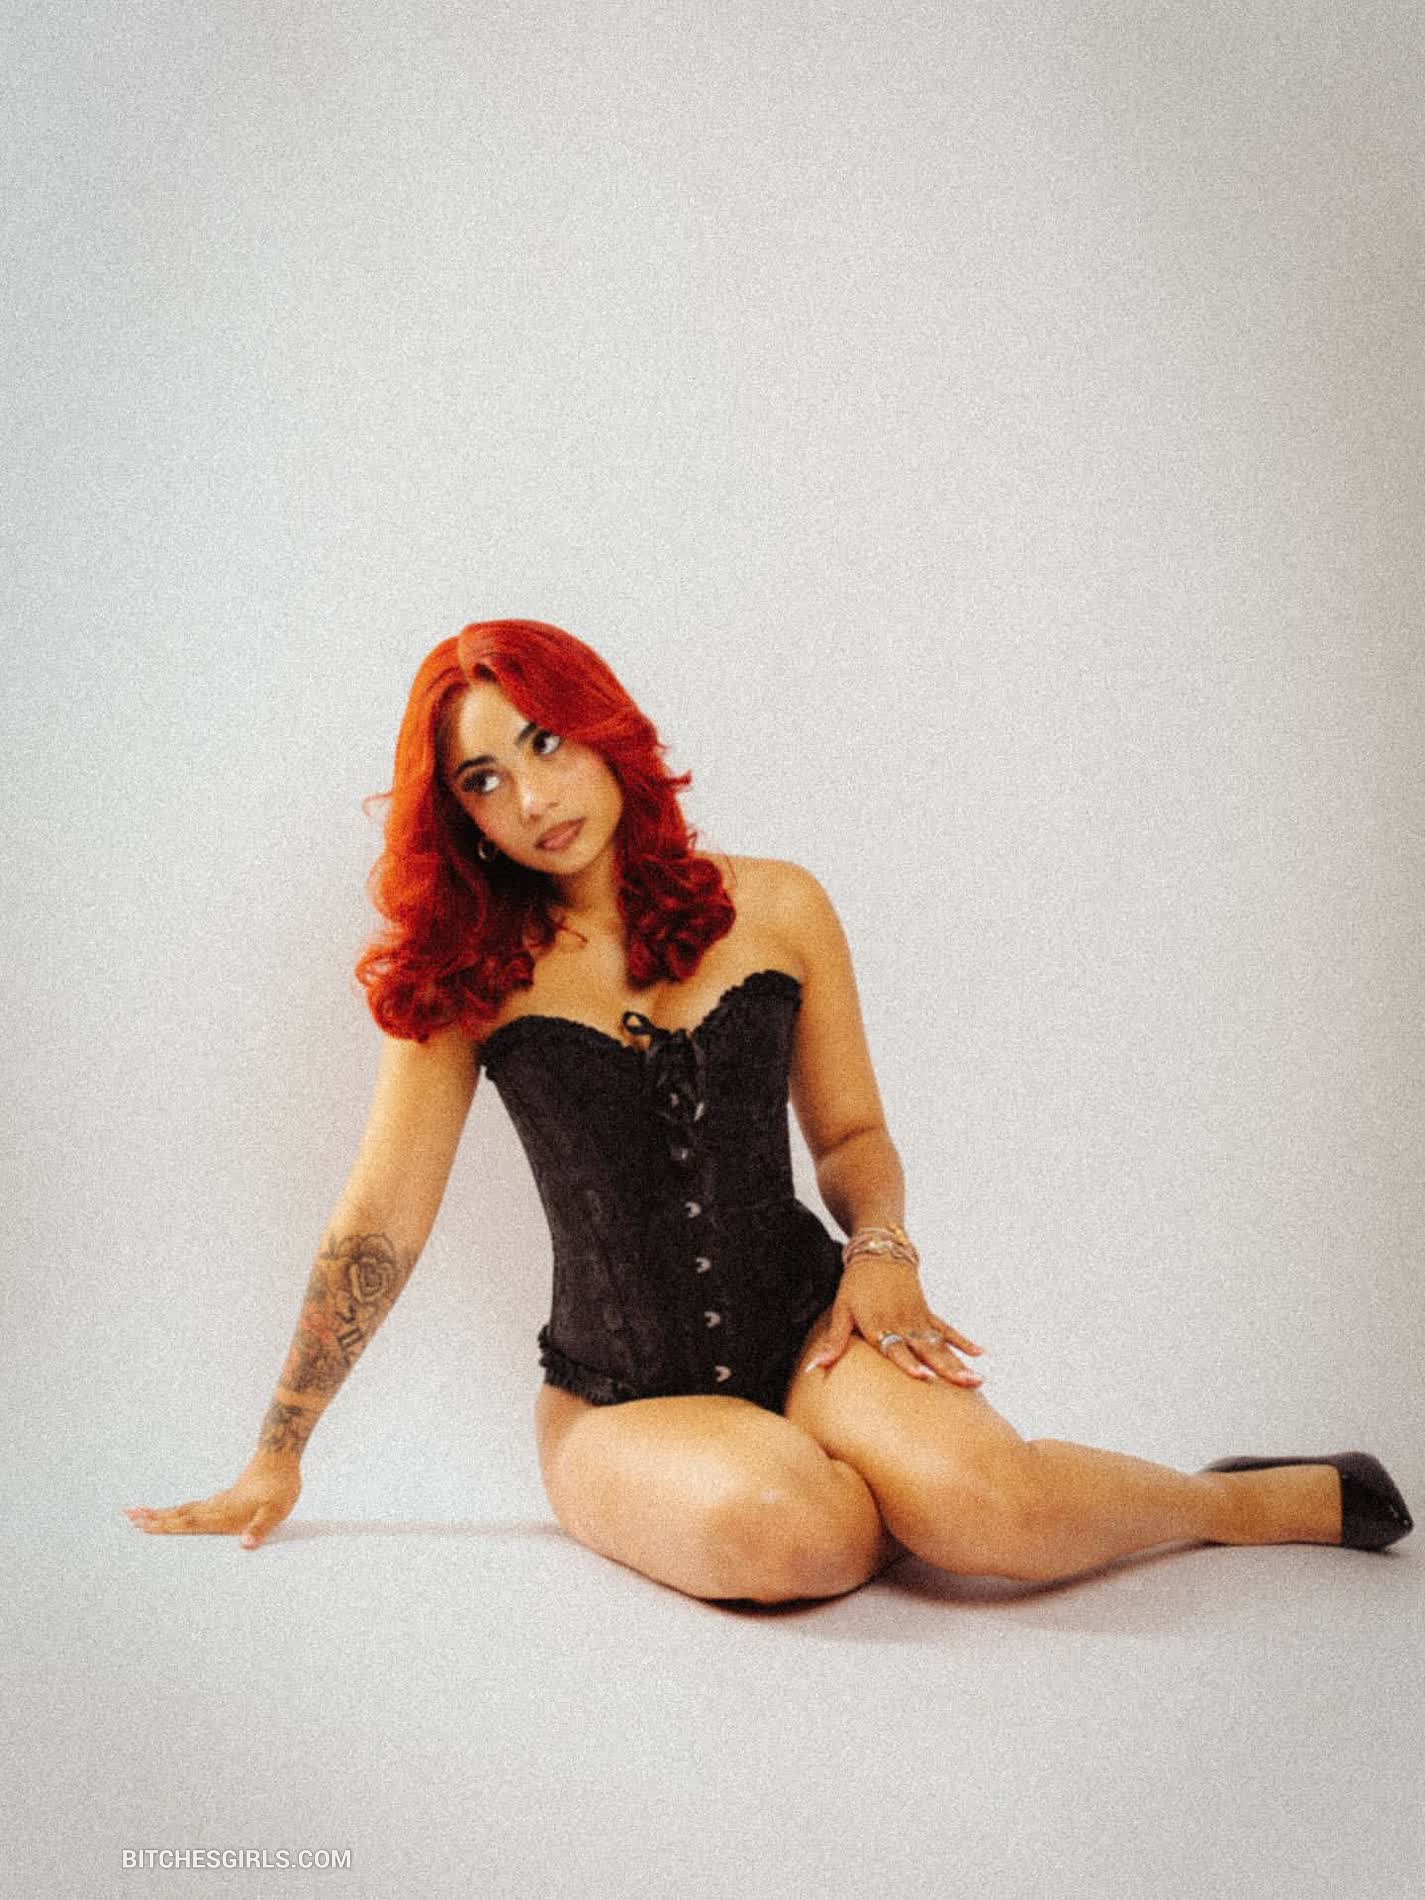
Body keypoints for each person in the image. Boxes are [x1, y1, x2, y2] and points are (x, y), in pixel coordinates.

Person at [124, 619, 1413, 1599]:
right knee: (796, 1535)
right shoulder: (468, 983)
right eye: (483, 780)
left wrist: (883, 1249)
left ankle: (1236, 1502)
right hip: (619, 1401)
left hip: (812, 1332)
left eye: (545, 741)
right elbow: (379, 1223)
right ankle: (865, 1490)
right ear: (457, 816)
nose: (533, 798)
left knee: (996, 1511)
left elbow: (850, 1138)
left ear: (603, 728)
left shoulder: (779, 908)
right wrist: (281, 1447)